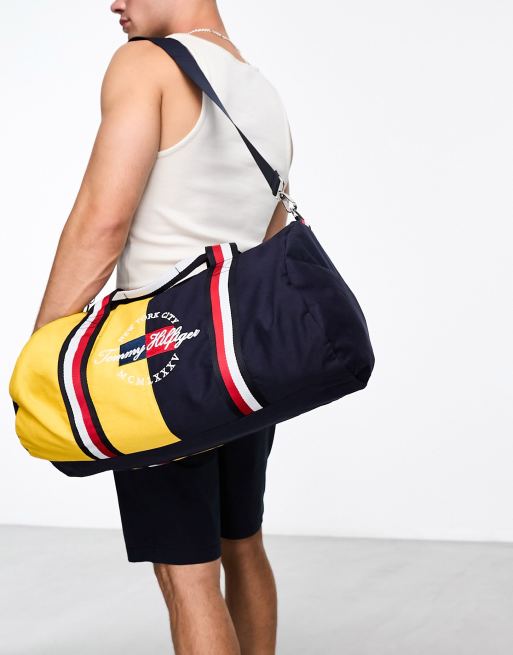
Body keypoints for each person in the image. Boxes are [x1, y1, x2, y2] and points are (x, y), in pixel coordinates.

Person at [32, 1, 293, 653]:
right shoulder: (260, 90)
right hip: (242, 359)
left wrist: (44, 357)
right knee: (243, 546)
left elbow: (102, 222)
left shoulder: (144, 65)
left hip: (158, 362)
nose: (114, 4)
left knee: (188, 576)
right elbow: (270, 237)